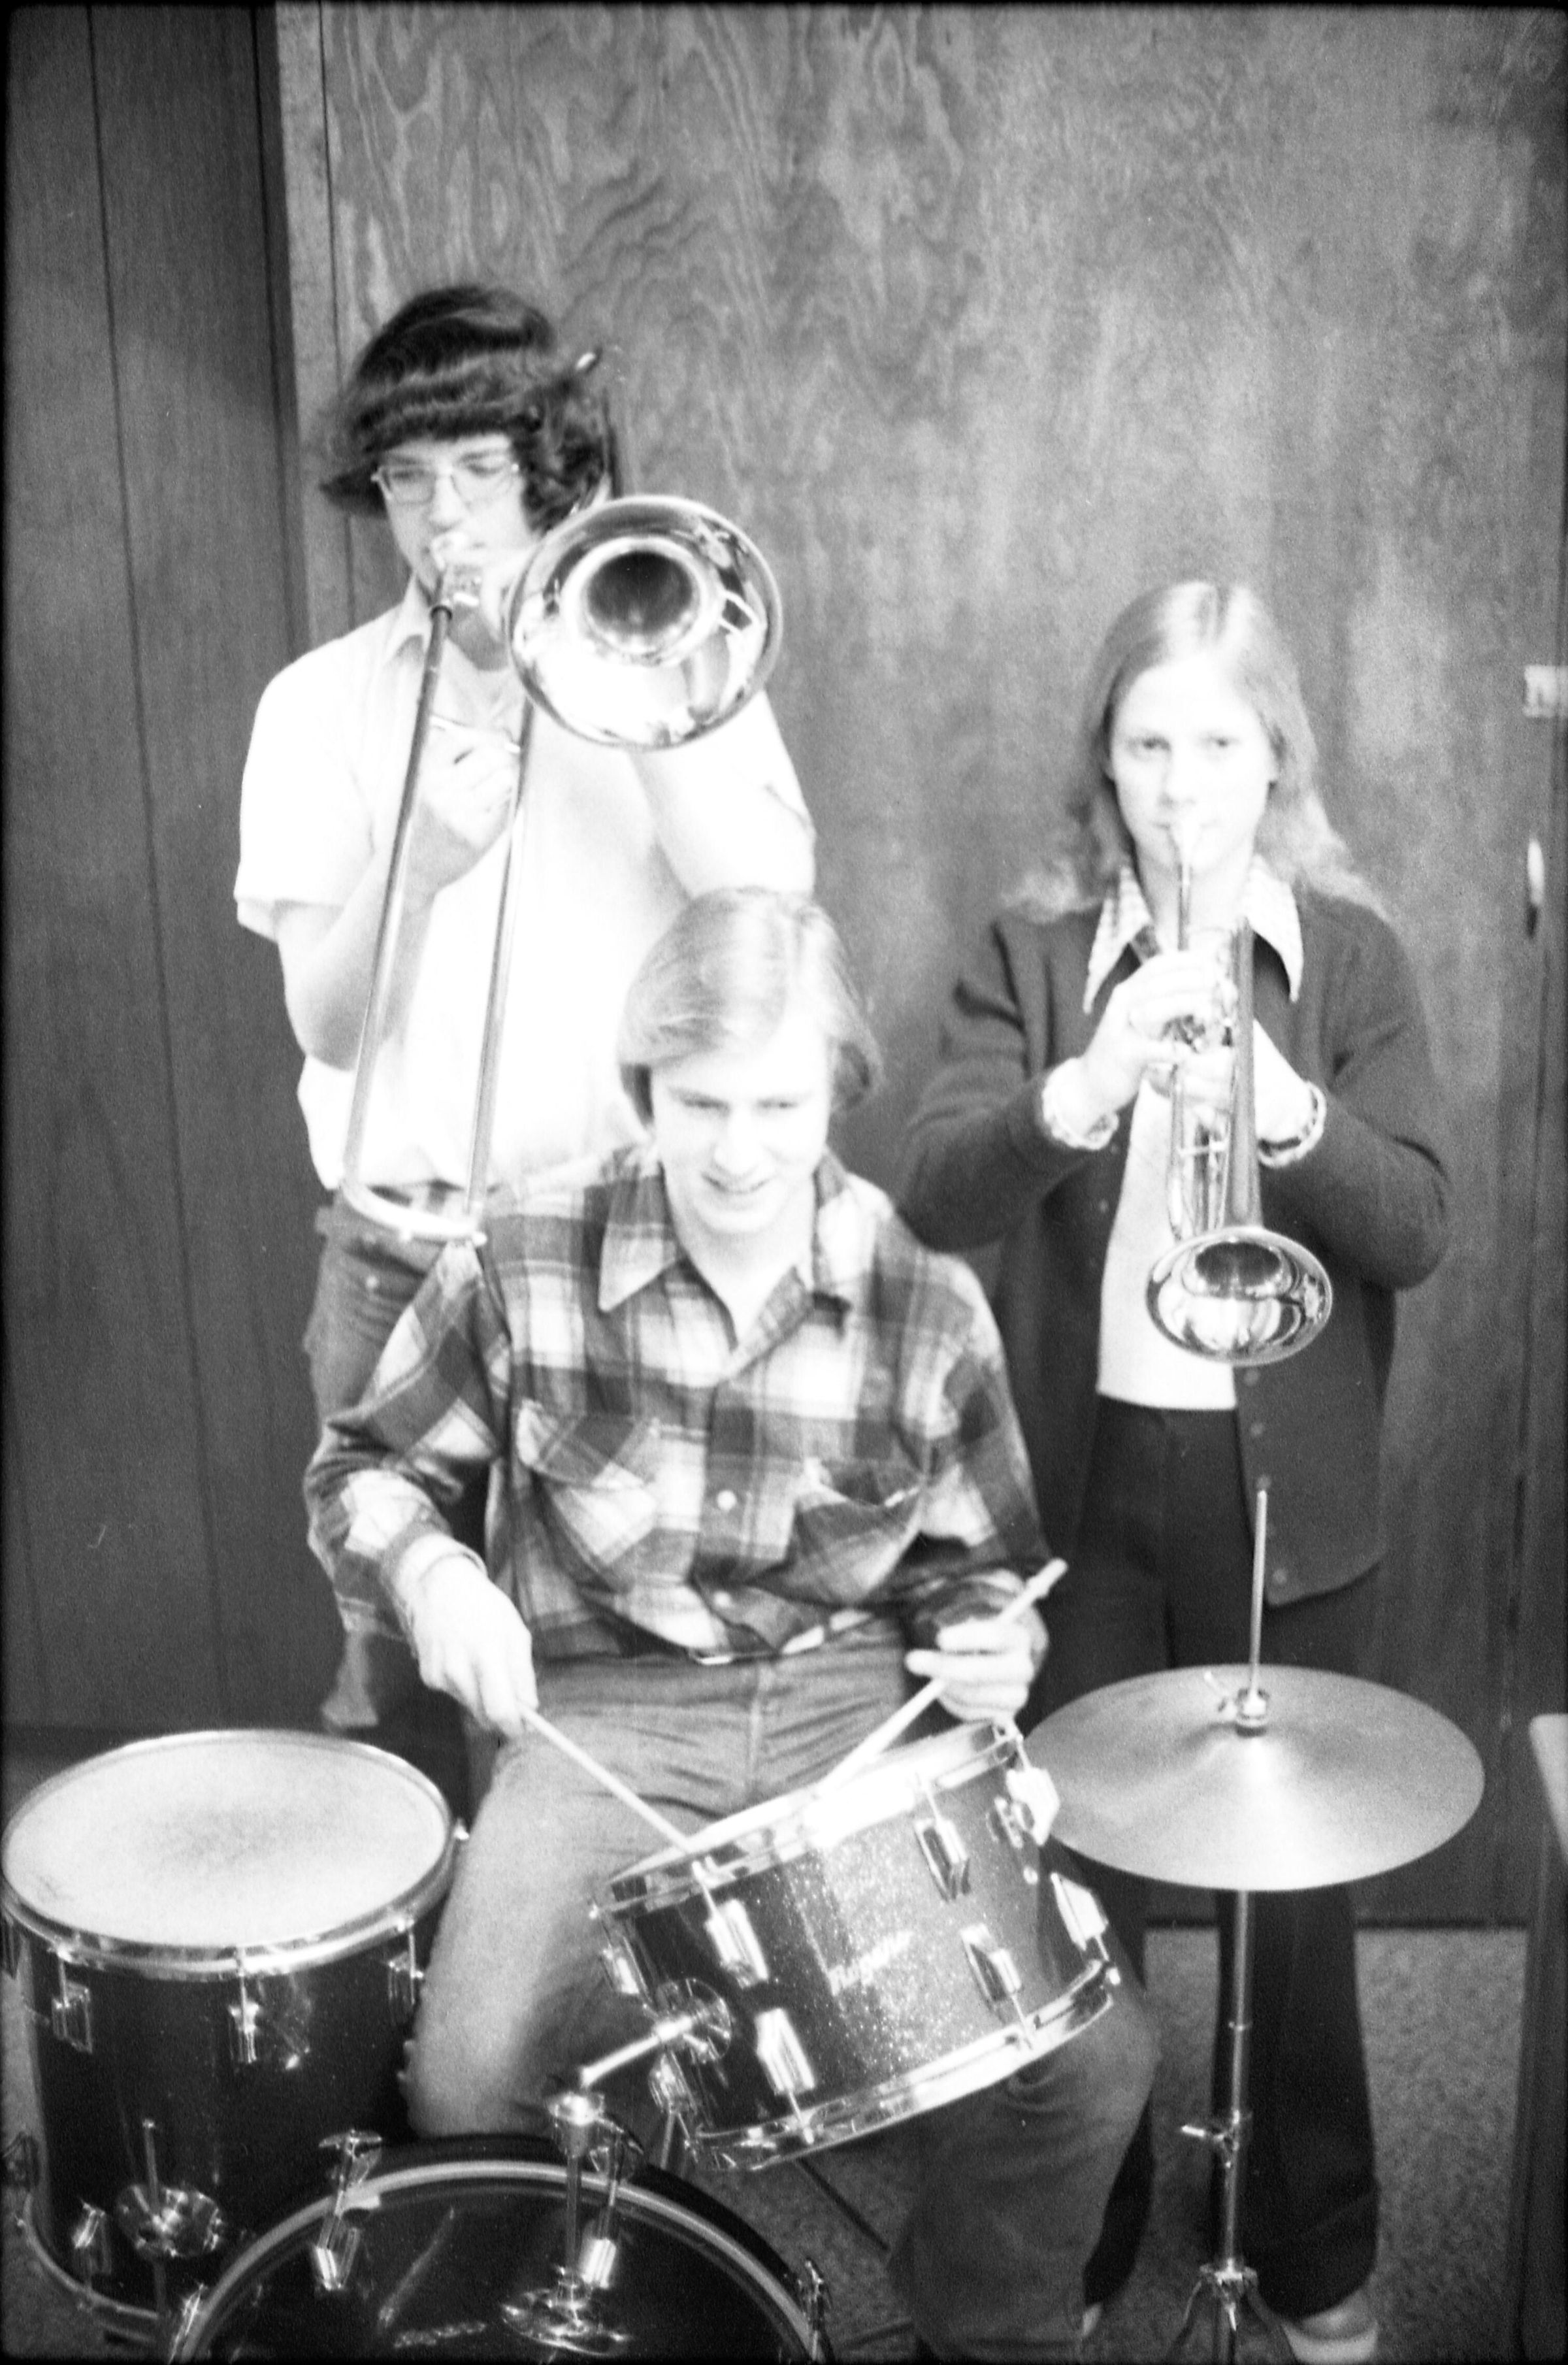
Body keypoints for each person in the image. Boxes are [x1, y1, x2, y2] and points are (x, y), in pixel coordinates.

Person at [305, 887, 1158, 2362]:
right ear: (646, 1087)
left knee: (1085, 2066)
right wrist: (436, 1576)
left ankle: (983, 2328)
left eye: (781, 1104)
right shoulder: (523, 1254)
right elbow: (360, 1471)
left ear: (838, 1090)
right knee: (470, 2081)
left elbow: (980, 1573)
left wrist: (991, 1646)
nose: (742, 1149)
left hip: (856, 1709)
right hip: (608, 1711)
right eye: (701, 1103)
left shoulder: (923, 1300)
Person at [896, 582, 1451, 2365]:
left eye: (1218, 743)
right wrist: (1084, 1086)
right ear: (1106, 762)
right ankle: (1089, 2218)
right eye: (1149, 745)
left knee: (1298, 1895)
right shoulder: (1033, 950)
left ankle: (1314, 2241)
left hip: (1288, 1492)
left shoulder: (1352, 959)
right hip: (1087, 1483)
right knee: (1081, 1881)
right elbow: (935, 1193)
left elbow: (1416, 1227)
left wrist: (1287, 1108)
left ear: (1276, 756)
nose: (1183, 785)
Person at [236, 283, 813, 1736]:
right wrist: (417, 867)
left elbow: (766, 905)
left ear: (553, 478)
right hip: (395, 1263)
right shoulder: (315, 706)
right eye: (406, 479)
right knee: (401, 1679)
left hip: (614, 1258)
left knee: (621, 1685)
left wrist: (619, 673)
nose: (445, 520)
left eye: (483, 469)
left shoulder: (676, 655)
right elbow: (327, 1027)